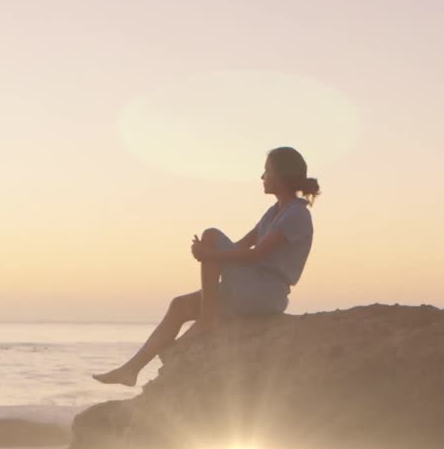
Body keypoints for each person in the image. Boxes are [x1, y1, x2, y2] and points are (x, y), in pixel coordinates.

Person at [92, 146, 319, 387]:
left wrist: (209, 253)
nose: (262, 177)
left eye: (267, 171)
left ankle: (208, 317)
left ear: (281, 176)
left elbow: (255, 255)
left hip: (265, 292)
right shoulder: (274, 212)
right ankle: (131, 371)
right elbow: (240, 246)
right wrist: (207, 254)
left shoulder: (297, 215)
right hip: (249, 286)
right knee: (179, 306)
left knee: (211, 234)